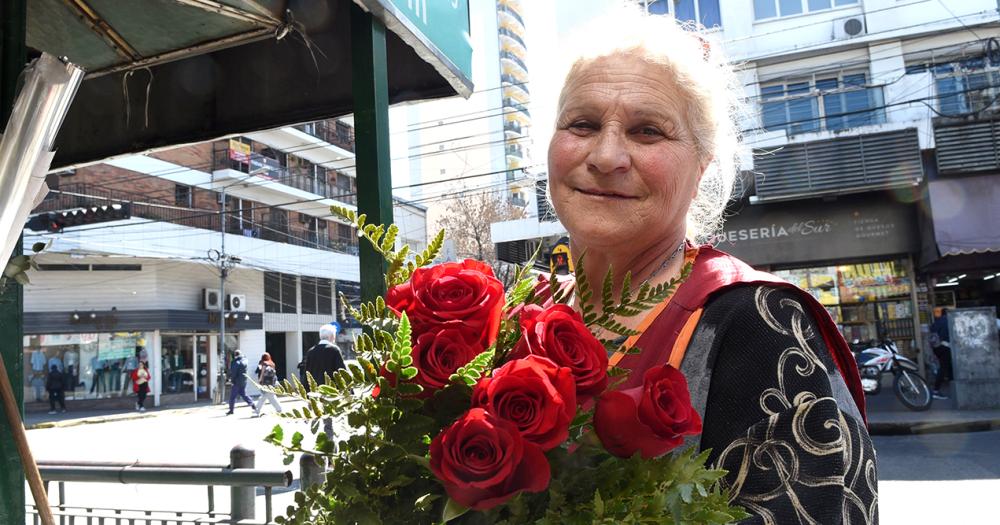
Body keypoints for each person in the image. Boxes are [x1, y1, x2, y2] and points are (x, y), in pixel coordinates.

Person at [546, 9, 875, 523]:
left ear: (700, 169)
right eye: (582, 124)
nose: (607, 154)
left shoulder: (761, 325)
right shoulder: (518, 317)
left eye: (647, 131)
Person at [304, 323, 347, 438]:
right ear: (331, 337)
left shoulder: (311, 352)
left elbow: (306, 374)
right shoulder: (334, 350)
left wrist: (306, 395)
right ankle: (329, 446)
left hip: (314, 393)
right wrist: (348, 391)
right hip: (330, 392)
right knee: (328, 422)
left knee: (318, 418)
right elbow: (342, 372)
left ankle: (322, 445)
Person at [930, 308, 953, 399]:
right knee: (943, 368)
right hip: (946, 346)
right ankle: (936, 390)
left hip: (937, 347)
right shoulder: (949, 321)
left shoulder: (936, 322)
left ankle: (953, 386)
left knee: (948, 366)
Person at [252, 352, 283, 417]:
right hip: (272, 383)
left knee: (266, 397)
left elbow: (262, 373)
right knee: (267, 397)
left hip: (265, 383)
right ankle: (279, 409)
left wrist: (259, 381)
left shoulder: (264, 364)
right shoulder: (272, 364)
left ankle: (279, 409)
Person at [226, 350, 254, 415]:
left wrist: (231, 380)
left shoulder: (235, 362)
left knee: (232, 397)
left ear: (235, 355)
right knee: (243, 394)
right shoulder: (245, 361)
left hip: (236, 382)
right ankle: (252, 404)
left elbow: (234, 373)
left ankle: (231, 410)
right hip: (243, 381)